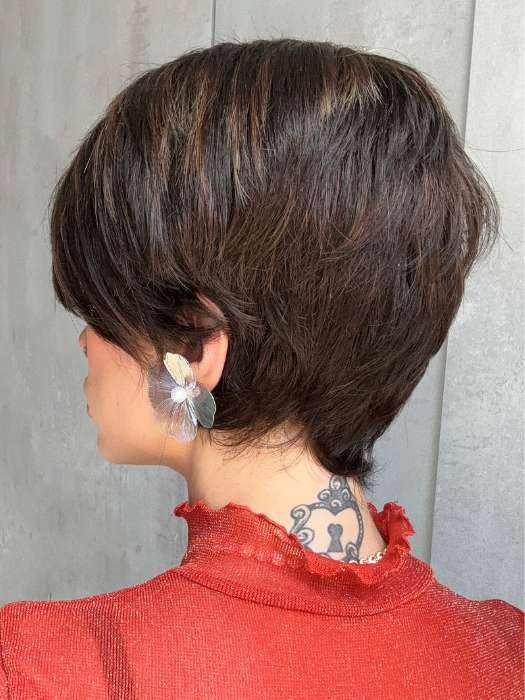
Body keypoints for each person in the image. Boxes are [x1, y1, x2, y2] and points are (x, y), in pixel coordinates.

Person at [0, 37, 522, 699]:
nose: (84, 342)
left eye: (100, 312)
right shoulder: (508, 656)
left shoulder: (43, 669)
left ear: (194, 345)